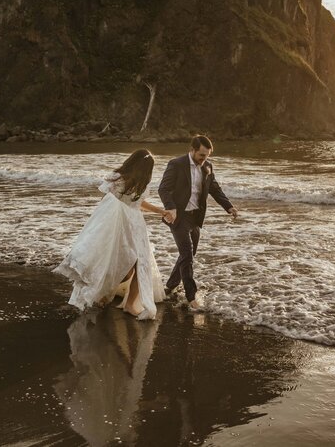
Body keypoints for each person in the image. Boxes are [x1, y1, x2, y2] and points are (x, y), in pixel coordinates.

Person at [54, 149, 170, 320]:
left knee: (140, 263)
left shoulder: (139, 182)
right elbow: (107, 203)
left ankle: (129, 303)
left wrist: (160, 211)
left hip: (134, 225)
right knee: (123, 265)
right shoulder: (118, 177)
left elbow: (137, 204)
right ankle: (104, 293)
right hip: (117, 225)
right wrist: (99, 228)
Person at [158, 135, 238, 309]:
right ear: (192, 150)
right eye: (201, 155)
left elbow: (215, 189)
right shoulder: (176, 164)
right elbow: (163, 188)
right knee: (187, 255)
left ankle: (170, 286)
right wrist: (170, 207)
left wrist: (228, 206)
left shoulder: (207, 166)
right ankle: (191, 297)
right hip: (178, 216)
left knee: (189, 254)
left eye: (207, 156)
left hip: (195, 217)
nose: (204, 159)